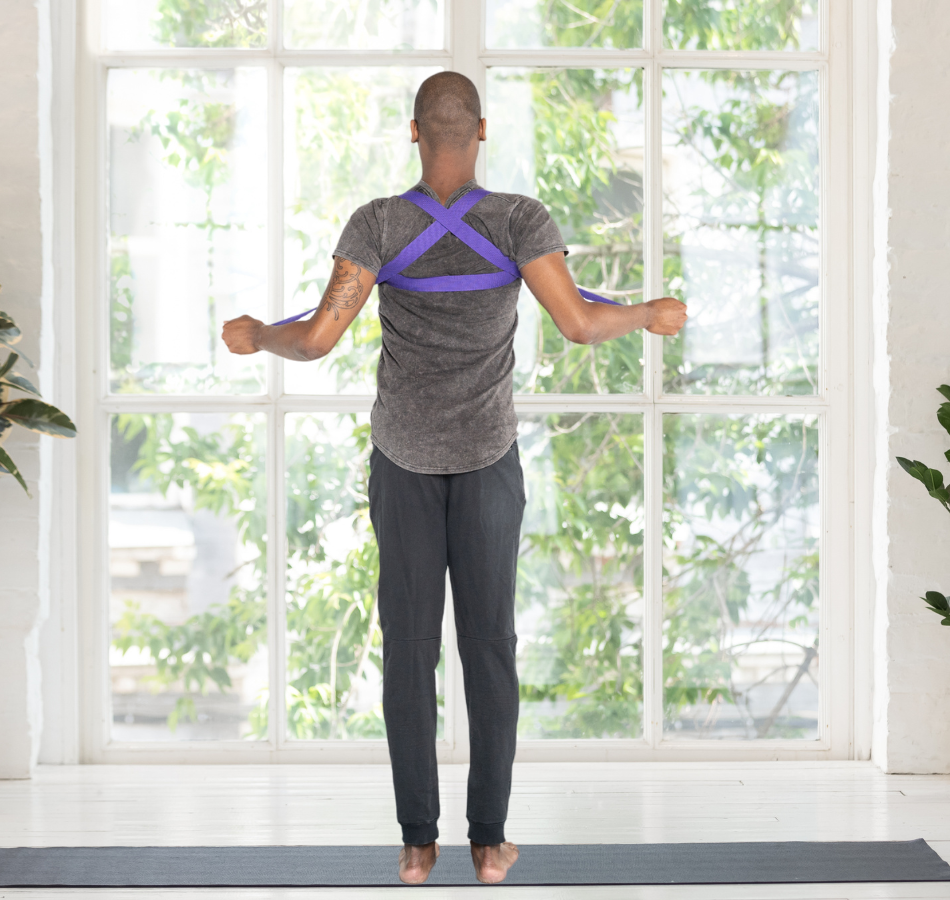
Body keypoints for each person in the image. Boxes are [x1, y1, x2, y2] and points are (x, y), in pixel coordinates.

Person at [221, 71, 688, 885]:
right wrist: (649, 314)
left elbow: (320, 337)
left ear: (412, 132)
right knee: (490, 650)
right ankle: (489, 845)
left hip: (401, 462)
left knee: (408, 650)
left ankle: (415, 844)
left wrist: (258, 333)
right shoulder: (518, 219)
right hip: (487, 465)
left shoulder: (377, 223)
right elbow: (578, 323)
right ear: (481, 131)